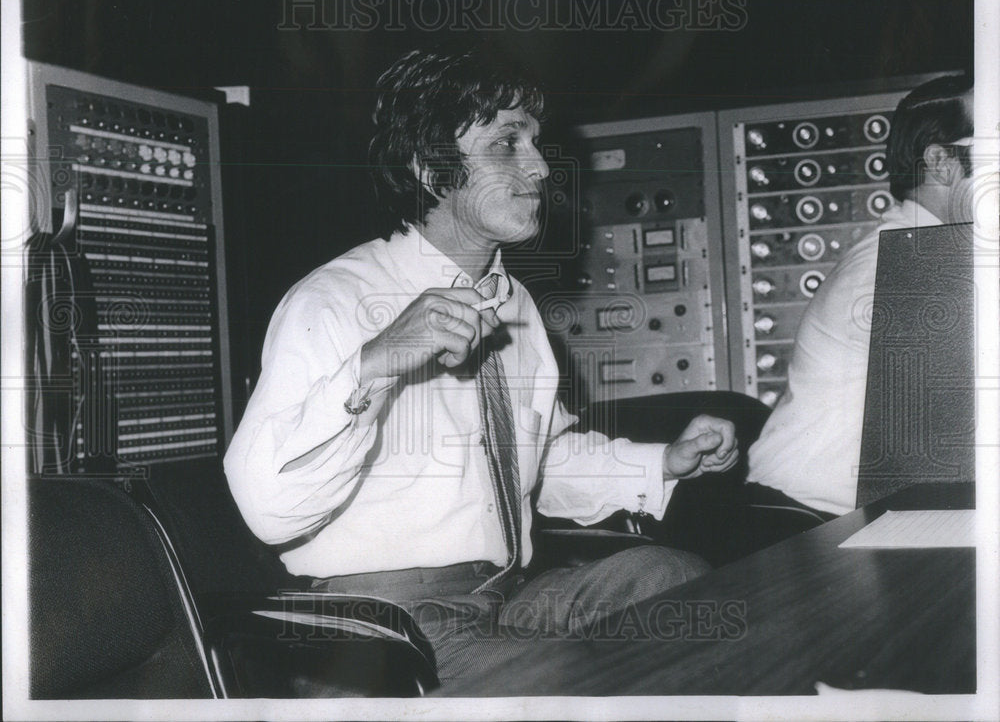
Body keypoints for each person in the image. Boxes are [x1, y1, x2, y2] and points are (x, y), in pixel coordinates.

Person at [224, 46, 738, 685]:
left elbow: (540, 460)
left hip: (506, 597)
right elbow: (266, 504)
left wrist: (664, 461)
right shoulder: (331, 300)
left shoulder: (511, 301)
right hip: (385, 623)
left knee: (680, 581)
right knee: (569, 679)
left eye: (537, 142)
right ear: (430, 168)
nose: (542, 167)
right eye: (507, 145)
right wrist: (377, 364)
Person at [657, 75, 975, 567]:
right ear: (940, 162)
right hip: (796, 532)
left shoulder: (924, 251)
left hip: (834, 524)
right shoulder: (904, 267)